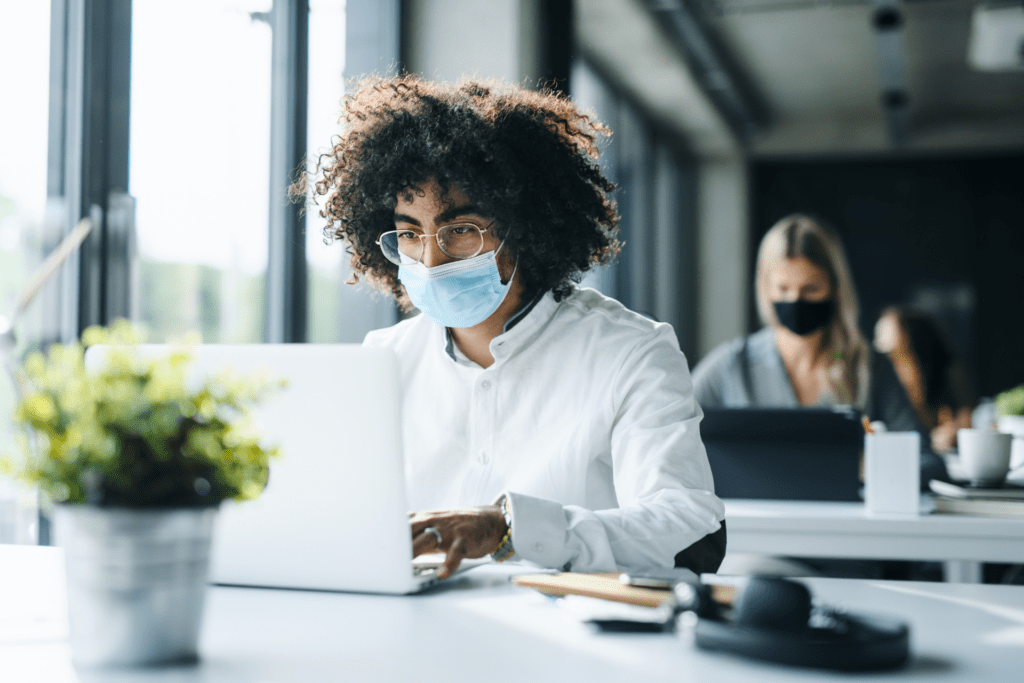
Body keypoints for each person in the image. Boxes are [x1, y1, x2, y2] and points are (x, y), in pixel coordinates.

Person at [301, 76, 726, 579]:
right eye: (410, 233)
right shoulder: (381, 362)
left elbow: (691, 530)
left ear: (524, 225)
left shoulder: (630, 352)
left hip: (571, 640)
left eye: (461, 230)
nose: (431, 259)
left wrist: (509, 529)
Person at [692, 214, 948, 487]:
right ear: (765, 289)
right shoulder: (732, 364)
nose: (795, 301)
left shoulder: (869, 367)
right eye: (783, 289)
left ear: (836, 288)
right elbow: (665, 434)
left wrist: (874, 470)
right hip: (756, 524)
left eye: (811, 289)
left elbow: (929, 462)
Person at [873, 306, 974, 453]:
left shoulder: (951, 415)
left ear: (923, 360)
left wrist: (960, 431)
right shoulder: (873, 418)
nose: (884, 370)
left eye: (894, 357)